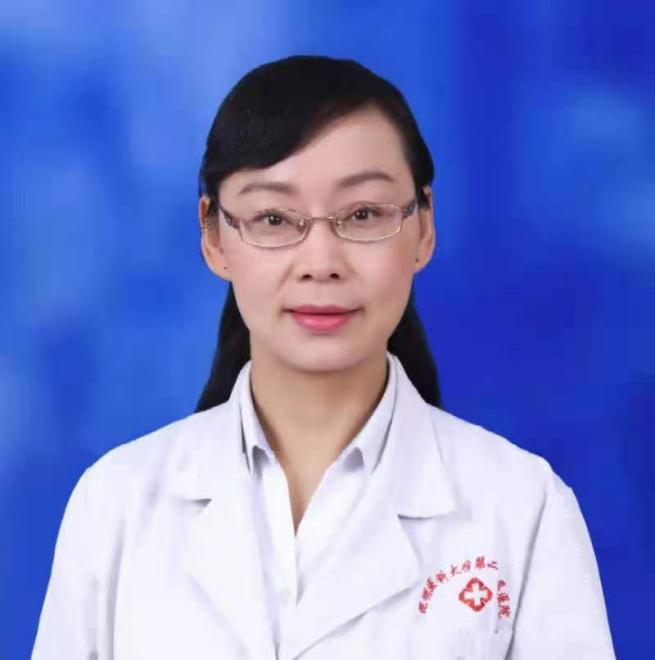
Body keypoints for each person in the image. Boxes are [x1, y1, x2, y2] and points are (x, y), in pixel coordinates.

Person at [32, 55, 615, 659]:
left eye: (363, 215)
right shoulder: (116, 505)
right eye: (273, 218)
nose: (321, 262)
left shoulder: (522, 509)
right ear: (213, 235)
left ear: (423, 227)